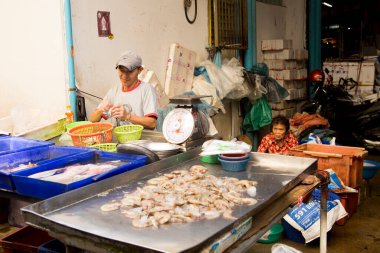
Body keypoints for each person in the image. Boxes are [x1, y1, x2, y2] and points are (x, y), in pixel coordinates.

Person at [89, 50, 158, 130]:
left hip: (141, 139)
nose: (124, 76)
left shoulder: (146, 90)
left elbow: (152, 123)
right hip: (120, 139)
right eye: (121, 70)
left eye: (129, 71)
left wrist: (127, 116)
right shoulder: (114, 91)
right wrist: (101, 110)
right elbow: (92, 120)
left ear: (140, 70)